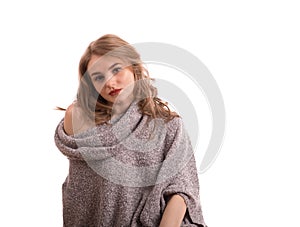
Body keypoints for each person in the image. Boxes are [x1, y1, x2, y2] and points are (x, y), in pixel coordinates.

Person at [54, 34, 207, 227]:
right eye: (98, 77)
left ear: (133, 67)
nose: (110, 82)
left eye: (116, 69)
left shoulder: (169, 125)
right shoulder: (80, 118)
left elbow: (182, 188)